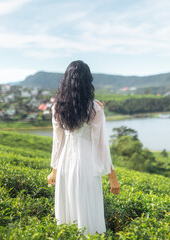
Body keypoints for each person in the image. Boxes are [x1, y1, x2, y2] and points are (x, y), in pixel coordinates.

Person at [47, 60, 120, 235]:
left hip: (65, 164)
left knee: (68, 212)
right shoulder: (94, 108)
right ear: (88, 81)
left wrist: (54, 171)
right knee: (87, 208)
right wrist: (112, 177)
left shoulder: (57, 107)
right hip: (86, 165)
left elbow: (58, 142)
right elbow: (102, 146)